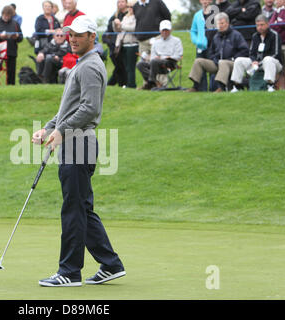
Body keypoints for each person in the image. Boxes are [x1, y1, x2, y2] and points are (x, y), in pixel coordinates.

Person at [32, 15, 125, 288]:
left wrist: (62, 130)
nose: (73, 38)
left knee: (73, 209)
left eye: (79, 34)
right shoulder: (81, 64)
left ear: (92, 37)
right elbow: (69, 109)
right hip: (74, 141)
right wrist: (49, 128)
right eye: (70, 33)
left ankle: (70, 272)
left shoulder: (89, 66)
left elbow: (90, 109)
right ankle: (110, 264)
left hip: (79, 144)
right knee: (82, 207)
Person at [187, 12, 249, 92]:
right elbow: (211, 52)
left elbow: (244, 50)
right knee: (198, 61)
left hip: (232, 63)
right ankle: (195, 87)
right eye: (218, 24)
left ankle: (221, 88)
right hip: (217, 63)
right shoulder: (216, 37)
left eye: (222, 23)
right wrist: (214, 59)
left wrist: (233, 58)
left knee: (223, 63)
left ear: (227, 23)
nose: (220, 26)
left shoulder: (236, 35)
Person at [231, 15, 283, 92]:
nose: (260, 27)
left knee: (268, 59)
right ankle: (236, 86)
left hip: (274, 64)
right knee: (239, 60)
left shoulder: (274, 35)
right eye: (258, 25)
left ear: (267, 24)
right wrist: (253, 61)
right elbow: (251, 53)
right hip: (257, 64)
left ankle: (270, 86)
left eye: (262, 25)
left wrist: (259, 63)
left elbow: (276, 54)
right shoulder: (255, 36)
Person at [137, 20, 183, 90]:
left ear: (170, 30)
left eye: (166, 30)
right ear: (160, 30)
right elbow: (152, 57)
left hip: (170, 63)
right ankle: (156, 82)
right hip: (155, 64)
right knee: (140, 64)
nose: (164, 32)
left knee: (154, 61)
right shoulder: (156, 42)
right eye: (163, 30)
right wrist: (155, 58)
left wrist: (163, 58)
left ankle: (151, 83)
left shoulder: (177, 41)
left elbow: (178, 55)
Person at [0, 5, 23, 85]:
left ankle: (11, 88)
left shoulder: (15, 24)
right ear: (2, 13)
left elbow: (21, 38)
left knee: (11, 73)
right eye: (5, 15)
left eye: (9, 16)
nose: (7, 17)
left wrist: (16, 37)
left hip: (11, 51)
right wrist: (0, 36)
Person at [191, 0, 219, 91]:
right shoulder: (197, 15)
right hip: (200, 47)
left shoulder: (215, 13)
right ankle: (201, 89)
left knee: (213, 67)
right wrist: (197, 41)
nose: (205, 1)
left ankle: (214, 89)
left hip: (213, 46)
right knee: (199, 68)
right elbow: (193, 31)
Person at [114, 0, 139, 89]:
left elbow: (133, 28)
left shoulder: (136, 17)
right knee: (126, 67)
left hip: (133, 45)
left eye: (132, 7)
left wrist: (121, 25)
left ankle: (132, 85)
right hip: (123, 44)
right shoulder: (125, 17)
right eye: (129, 7)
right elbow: (118, 31)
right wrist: (116, 24)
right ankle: (129, 83)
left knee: (131, 66)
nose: (130, 8)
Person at [270, 0, 285, 81]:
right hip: (278, 43)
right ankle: (279, 88)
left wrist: (278, 23)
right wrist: (279, 23)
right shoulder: (279, 11)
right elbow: (271, 24)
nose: (283, 1)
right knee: (280, 68)